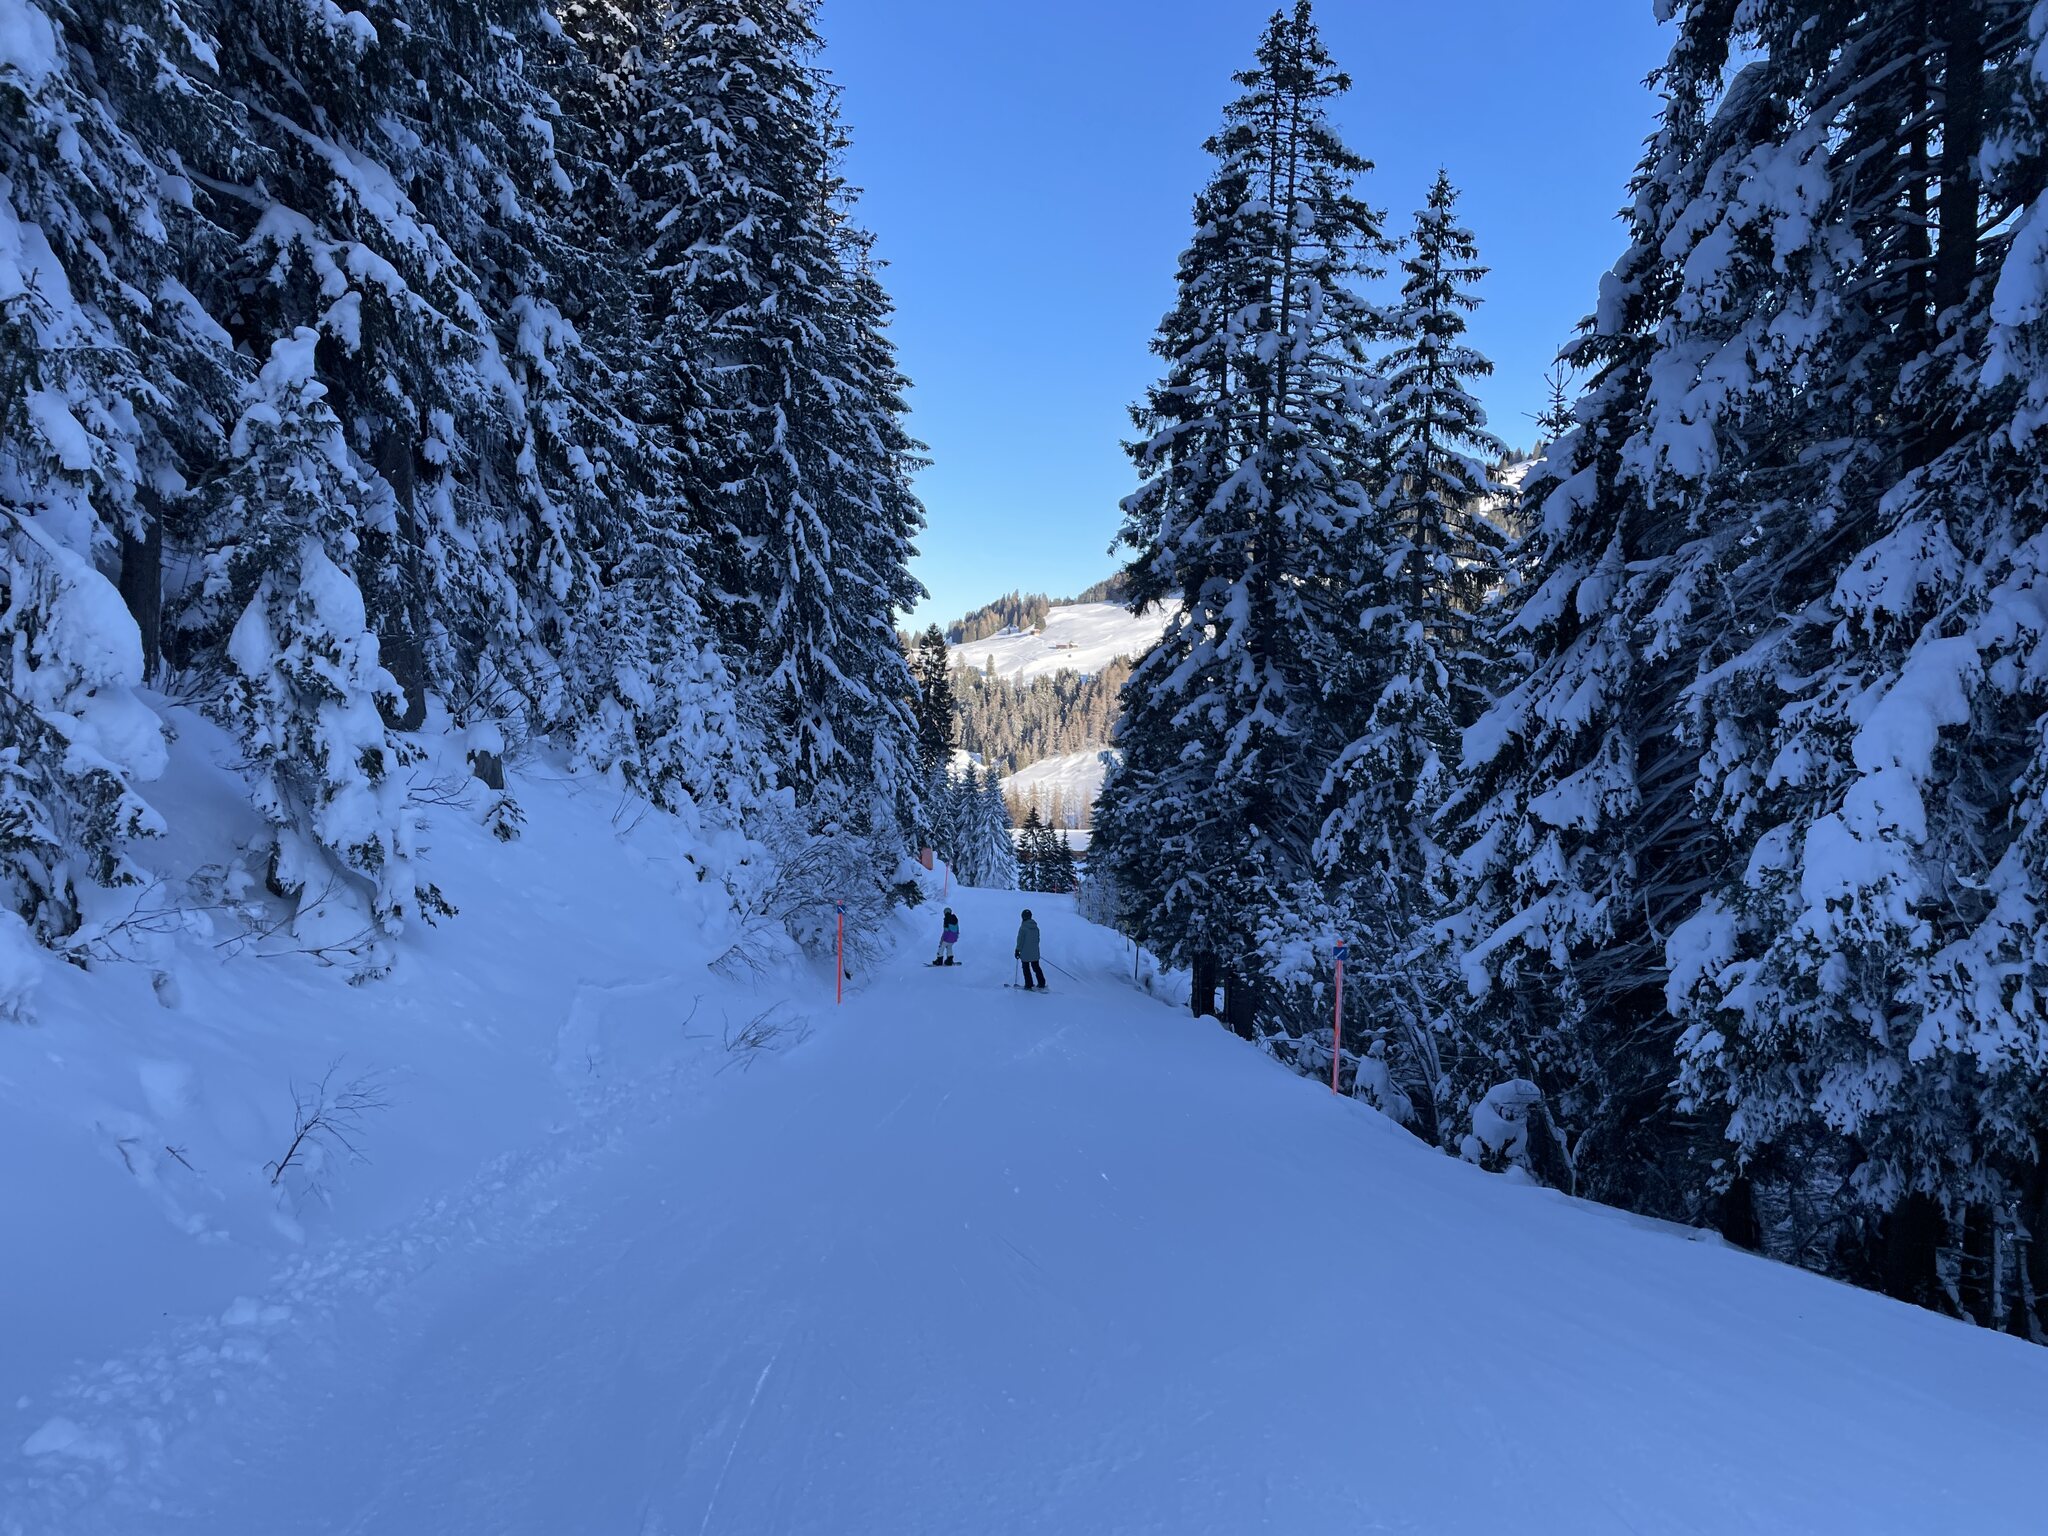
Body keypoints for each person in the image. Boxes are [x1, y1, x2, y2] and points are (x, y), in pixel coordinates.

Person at [1014, 908, 1045, 991]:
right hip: (1035, 952)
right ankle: (1042, 983)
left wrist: (1017, 950)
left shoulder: (1023, 928)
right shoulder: (1036, 927)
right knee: (1036, 967)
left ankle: (1029, 984)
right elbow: (1037, 940)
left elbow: (1020, 940)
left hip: (1025, 952)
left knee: (1026, 968)